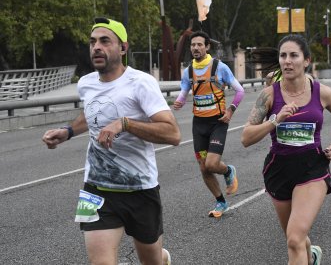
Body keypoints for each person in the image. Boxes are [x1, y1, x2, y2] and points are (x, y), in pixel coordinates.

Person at [42, 17, 180, 265]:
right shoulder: (86, 83)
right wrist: (68, 131)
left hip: (140, 189)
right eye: (93, 41)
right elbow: (92, 113)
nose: (97, 47)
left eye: (105, 41)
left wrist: (125, 123)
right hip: (95, 189)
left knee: (152, 261)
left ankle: (162, 258)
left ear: (123, 48)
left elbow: (173, 134)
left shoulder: (141, 83)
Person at [241, 34, 331, 264]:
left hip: (312, 169)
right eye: (283, 55)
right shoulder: (269, 94)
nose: (287, 61)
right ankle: (311, 255)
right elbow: (245, 137)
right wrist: (275, 121)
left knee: (293, 239)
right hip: (279, 170)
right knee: (296, 238)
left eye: (294, 55)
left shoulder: (321, 92)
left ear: (306, 61)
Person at [173, 31, 245, 218]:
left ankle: (228, 170)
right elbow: (184, 90)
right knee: (204, 167)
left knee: (212, 164)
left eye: (199, 45)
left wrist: (230, 111)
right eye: (193, 45)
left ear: (207, 47)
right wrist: (180, 101)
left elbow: (240, 91)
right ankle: (220, 201)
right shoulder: (188, 71)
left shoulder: (220, 68)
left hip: (218, 122)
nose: (195, 48)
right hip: (199, 124)